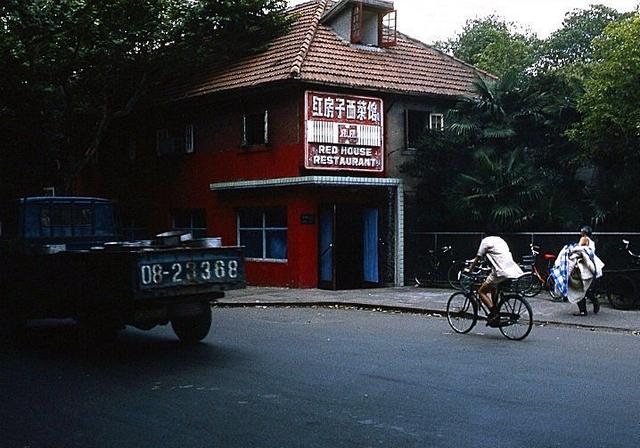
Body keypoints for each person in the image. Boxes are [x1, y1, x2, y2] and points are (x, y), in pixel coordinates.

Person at [465, 224, 524, 324]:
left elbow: (478, 258)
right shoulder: (501, 240)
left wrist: (470, 270)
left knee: (481, 292)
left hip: (500, 271)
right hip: (511, 269)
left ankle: (494, 313)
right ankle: (495, 312)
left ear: (486, 233)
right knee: (493, 287)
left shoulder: (486, 241)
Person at [574, 225, 600, 316]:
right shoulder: (592, 242)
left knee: (578, 289)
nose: (580, 233)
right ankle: (595, 301)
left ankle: (583, 311)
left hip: (583, 267)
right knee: (586, 288)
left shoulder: (584, 239)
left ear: (584, 233)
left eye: (581, 232)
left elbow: (578, 249)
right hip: (590, 268)